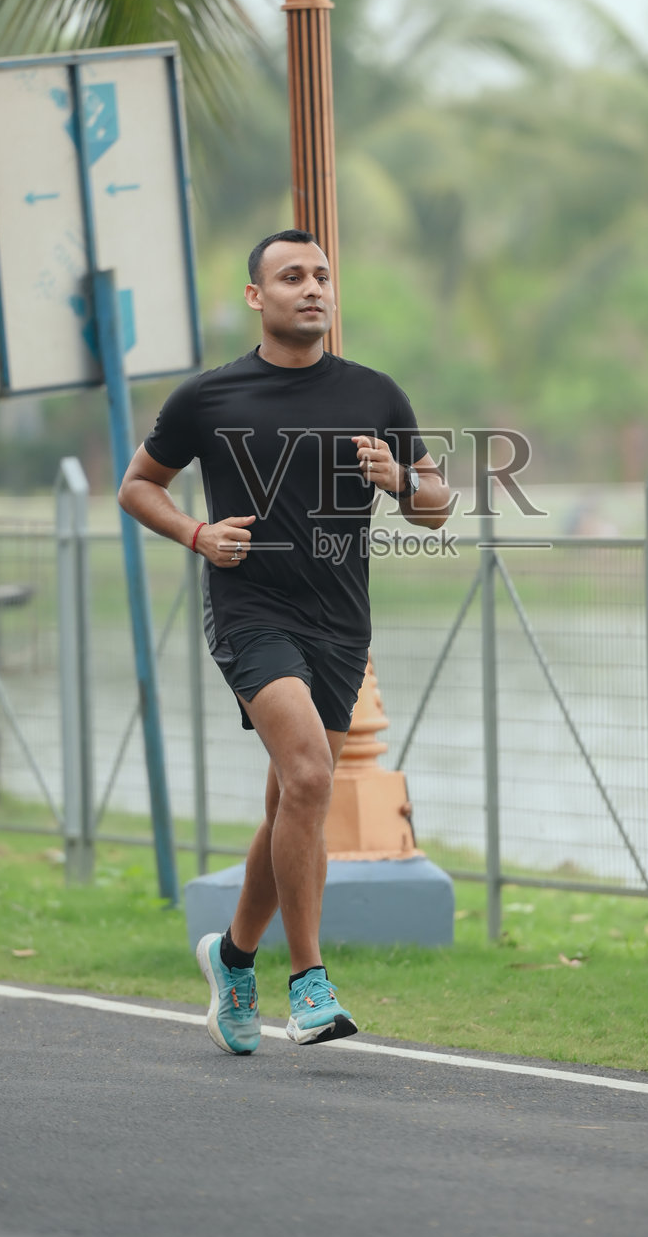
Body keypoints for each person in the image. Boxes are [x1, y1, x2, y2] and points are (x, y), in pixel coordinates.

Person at [117, 230, 451, 1053]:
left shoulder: (375, 394)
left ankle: (233, 958)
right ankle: (308, 982)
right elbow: (137, 486)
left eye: (322, 276)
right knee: (308, 776)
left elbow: (436, 506)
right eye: (291, 275)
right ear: (255, 296)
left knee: (289, 804)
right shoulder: (209, 398)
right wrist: (197, 534)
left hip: (341, 624)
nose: (311, 288)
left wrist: (400, 480)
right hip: (251, 613)